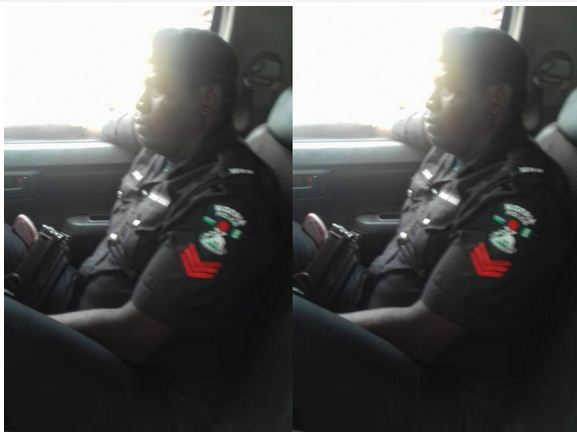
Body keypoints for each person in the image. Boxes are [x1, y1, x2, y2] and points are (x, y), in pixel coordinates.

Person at [293, 27, 575, 431]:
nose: (430, 100)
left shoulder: (518, 205)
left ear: (496, 99)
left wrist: (325, 325)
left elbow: (424, 333)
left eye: (448, 88)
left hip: (435, 387)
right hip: (373, 302)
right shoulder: (454, 141)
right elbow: (402, 124)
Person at [5, 28, 286, 431]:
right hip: (86, 313)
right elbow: (113, 124)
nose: (140, 102)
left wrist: (31, 330)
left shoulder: (228, 206)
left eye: (158, 89)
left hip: (146, 389)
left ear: (206, 100)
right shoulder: (164, 143)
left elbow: (136, 334)